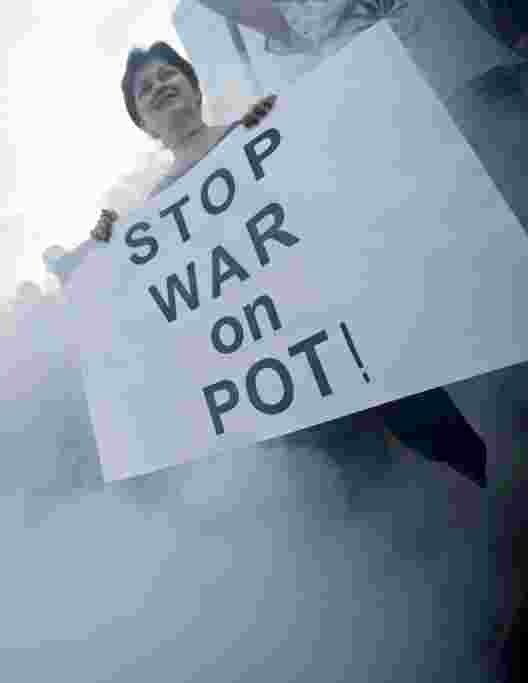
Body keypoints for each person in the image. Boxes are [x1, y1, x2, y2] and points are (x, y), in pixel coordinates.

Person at [47, 40, 487, 505]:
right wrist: (102, 251)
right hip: (282, 373)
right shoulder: (151, 215)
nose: (159, 87)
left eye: (167, 75)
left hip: (347, 325)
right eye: (144, 90)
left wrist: (286, 121)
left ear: (194, 88)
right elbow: (134, 307)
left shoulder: (262, 128)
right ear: (143, 124)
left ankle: (498, 506)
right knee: (362, 482)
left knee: (441, 436)